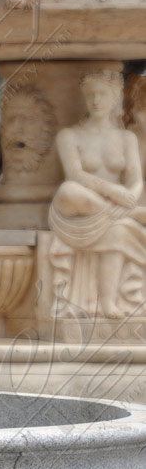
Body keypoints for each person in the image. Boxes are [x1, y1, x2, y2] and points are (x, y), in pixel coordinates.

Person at [49, 70, 146, 318]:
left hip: (112, 211)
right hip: (79, 205)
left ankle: (108, 302)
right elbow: (74, 175)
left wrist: (132, 195)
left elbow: (136, 181)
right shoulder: (69, 136)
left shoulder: (127, 138)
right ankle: (131, 214)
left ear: (115, 98)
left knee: (118, 230)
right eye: (90, 94)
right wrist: (114, 193)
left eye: (102, 94)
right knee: (68, 190)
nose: (96, 100)